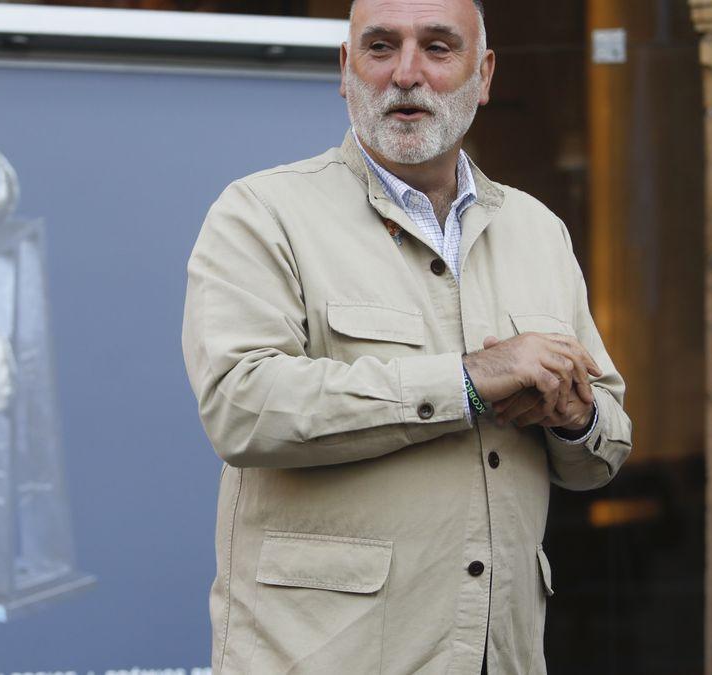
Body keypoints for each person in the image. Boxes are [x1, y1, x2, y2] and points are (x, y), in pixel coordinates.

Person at [180, 0, 633, 672]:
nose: (405, 73)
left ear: (484, 75)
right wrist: (466, 381)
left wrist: (576, 414)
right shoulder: (261, 213)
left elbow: (604, 448)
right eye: (381, 46)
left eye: (438, 48)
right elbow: (241, 407)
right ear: (345, 69)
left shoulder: (538, 230)